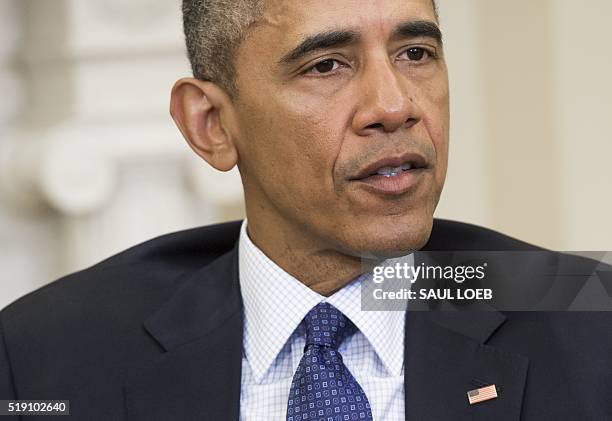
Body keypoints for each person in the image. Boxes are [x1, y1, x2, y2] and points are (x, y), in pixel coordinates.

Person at [1, 0, 610, 420]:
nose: (395, 106)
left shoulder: (592, 325)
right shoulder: (42, 361)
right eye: (326, 65)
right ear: (211, 125)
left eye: (416, 53)